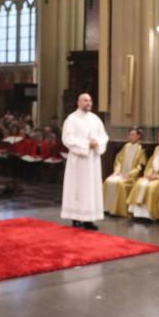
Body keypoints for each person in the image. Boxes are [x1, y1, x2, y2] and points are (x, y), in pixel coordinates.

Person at [60, 93, 108, 230]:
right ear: (78, 102)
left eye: (90, 100)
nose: (88, 103)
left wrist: (96, 142)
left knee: (91, 189)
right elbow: (67, 139)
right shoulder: (72, 119)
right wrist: (87, 144)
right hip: (78, 160)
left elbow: (103, 136)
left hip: (92, 160)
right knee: (78, 188)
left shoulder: (95, 119)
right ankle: (76, 218)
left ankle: (89, 219)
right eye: (85, 100)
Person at [126, 129, 159, 221]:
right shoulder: (157, 149)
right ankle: (137, 214)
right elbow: (150, 164)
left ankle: (150, 215)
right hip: (152, 176)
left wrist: (158, 177)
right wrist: (149, 174)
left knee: (152, 187)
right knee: (139, 183)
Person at [102, 128, 146, 216]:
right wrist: (117, 171)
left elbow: (140, 166)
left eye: (133, 135)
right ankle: (106, 208)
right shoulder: (126, 146)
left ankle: (117, 210)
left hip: (131, 177)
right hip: (121, 174)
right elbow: (119, 161)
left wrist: (130, 174)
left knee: (119, 184)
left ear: (138, 136)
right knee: (108, 181)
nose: (131, 137)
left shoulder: (141, 149)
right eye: (130, 135)